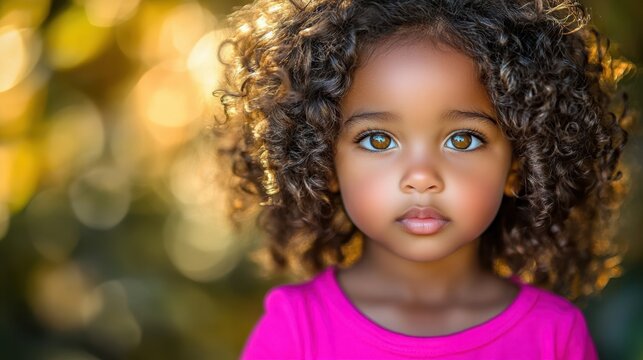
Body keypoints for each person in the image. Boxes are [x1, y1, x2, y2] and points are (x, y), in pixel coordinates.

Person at [214, 0, 635, 358]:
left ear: (519, 164)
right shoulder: (296, 329)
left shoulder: (554, 335)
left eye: (463, 139)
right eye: (378, 140)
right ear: (323, 162)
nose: (421, 177)